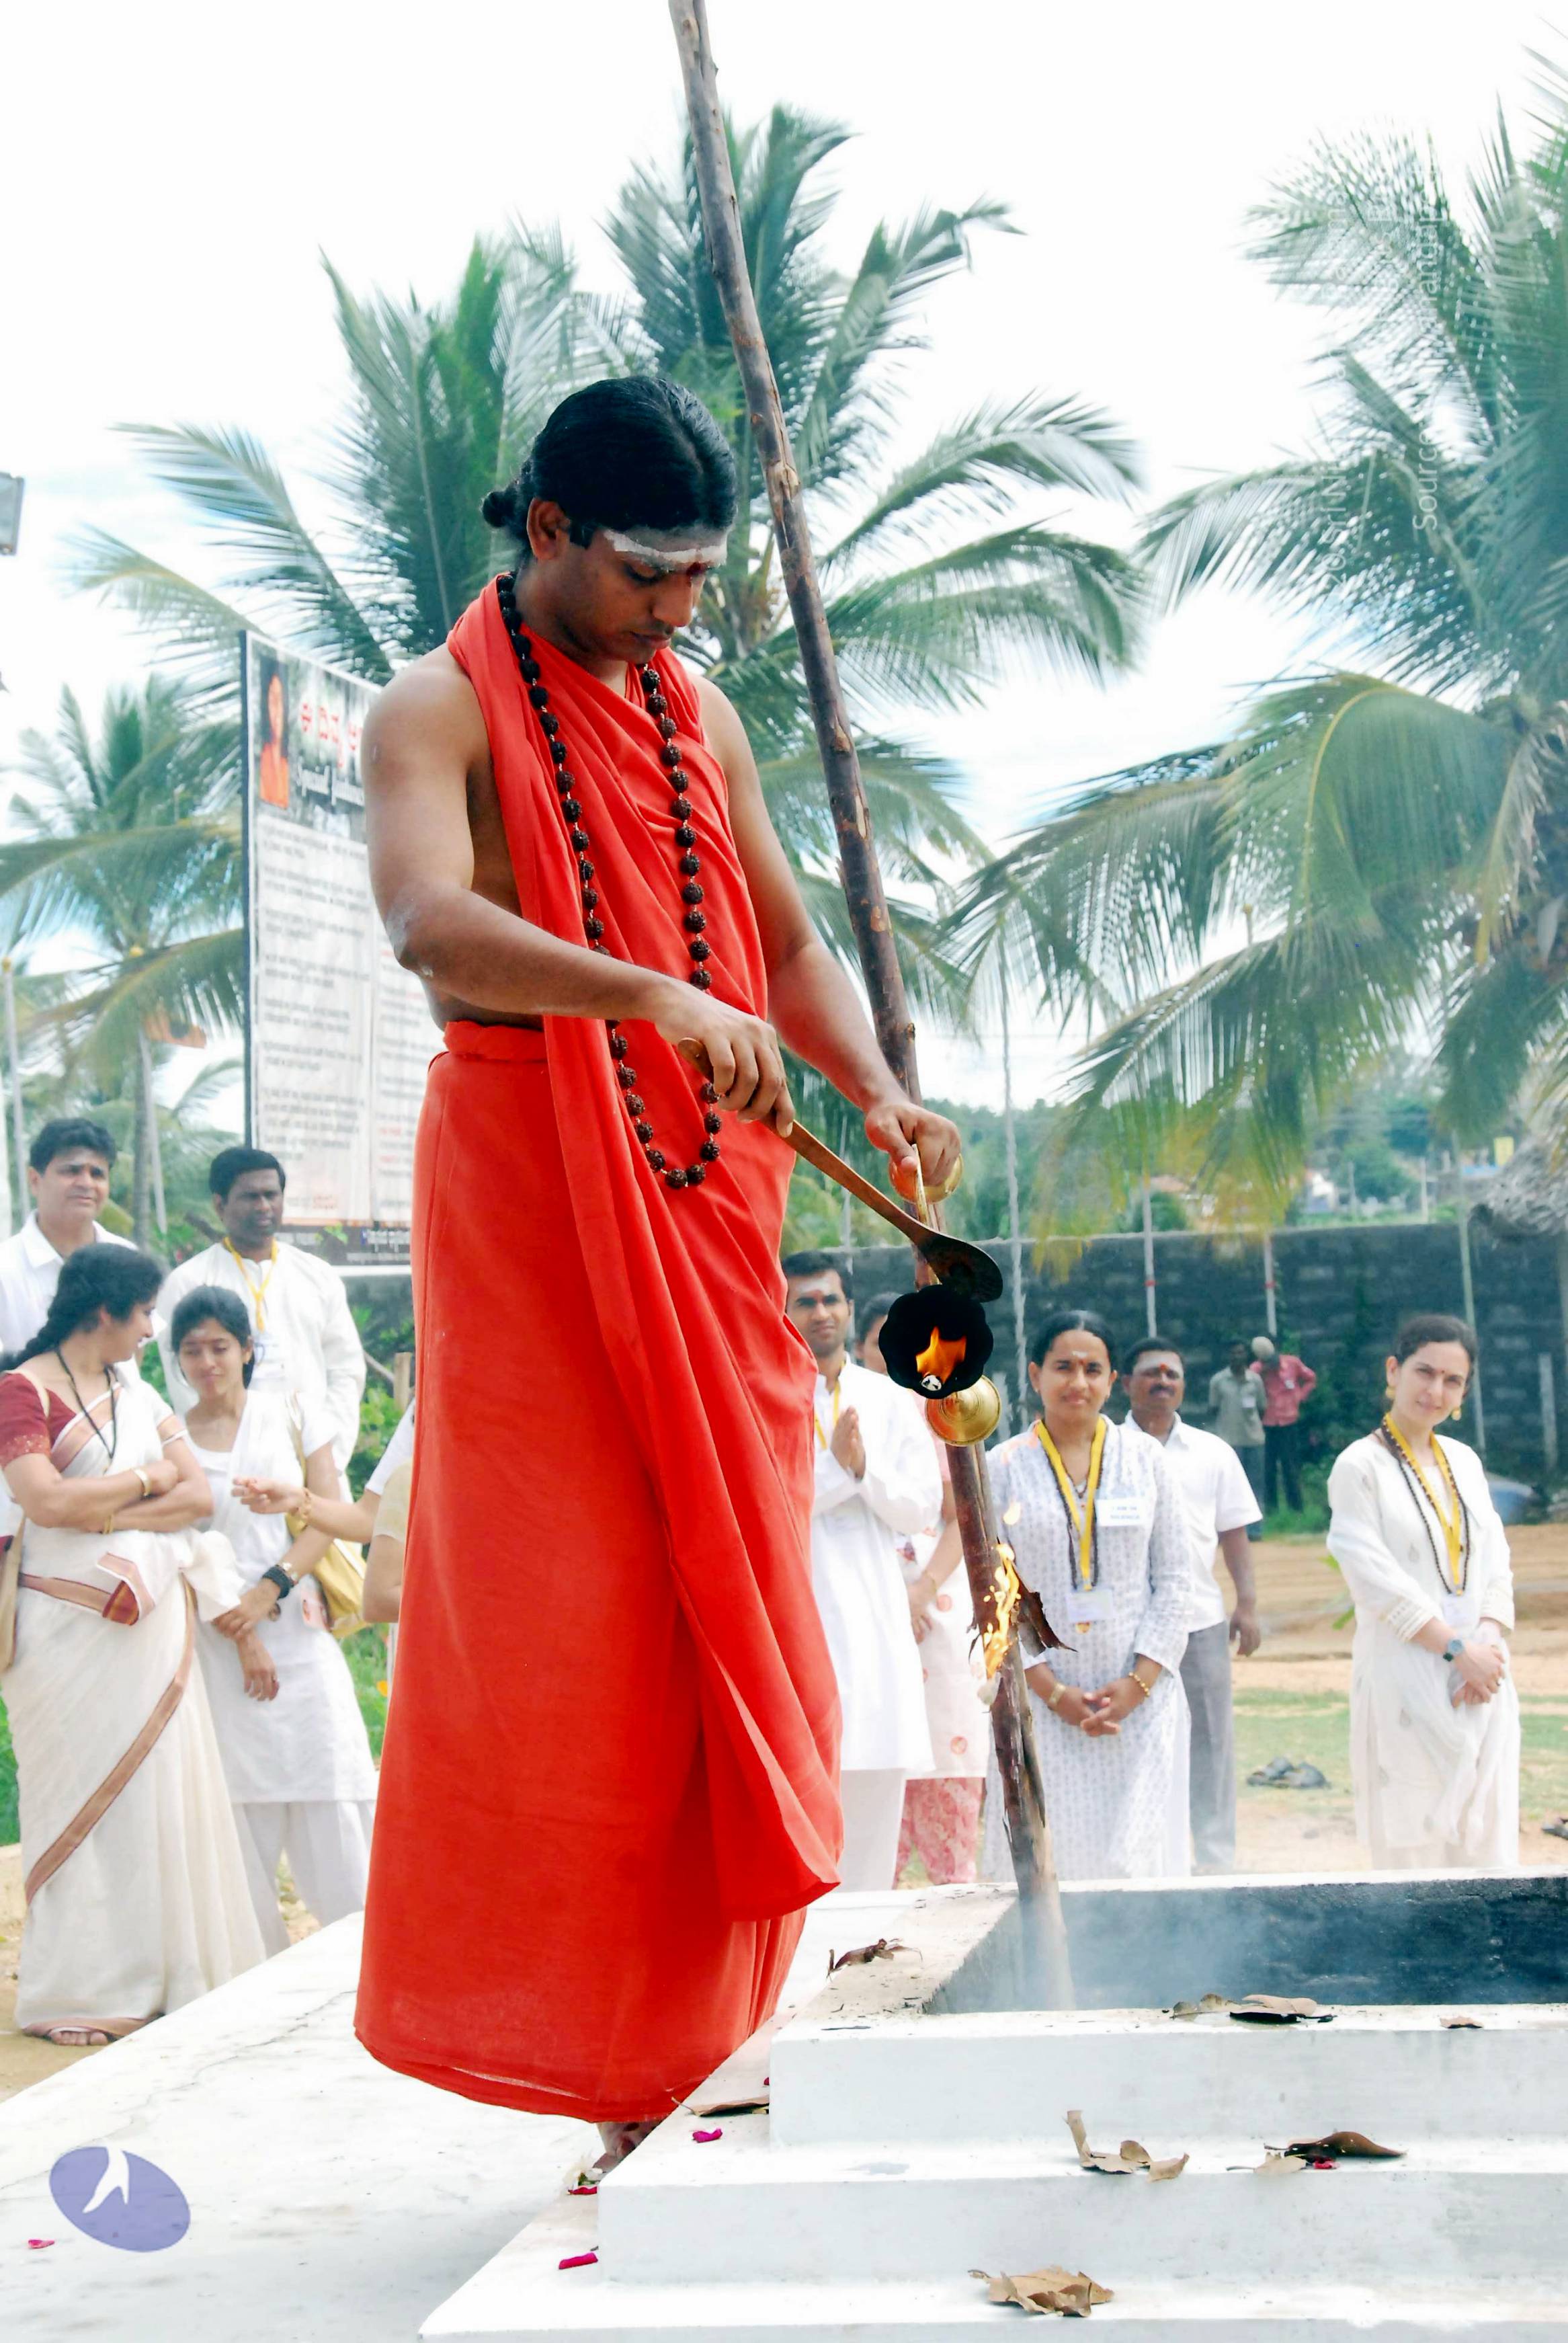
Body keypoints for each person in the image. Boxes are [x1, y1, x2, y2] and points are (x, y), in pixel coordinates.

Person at [354, 374, 960, 2152]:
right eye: (646, 570)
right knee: (577, 1627)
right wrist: (644, 992)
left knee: (729, 1603)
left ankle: (713, 2034)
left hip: (701, 1199)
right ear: (546, 528)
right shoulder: (433, 707)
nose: (679, 608)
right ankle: (598, 2060)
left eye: (701, 573)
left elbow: (781, 941)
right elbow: (424, 921)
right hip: (527, 1188)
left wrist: (876, 1086)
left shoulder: (697, 710)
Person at [0, 1247, 264, 2043]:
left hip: (146, 1619)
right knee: (70, 1801)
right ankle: (79, 1986)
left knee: (153, 1797)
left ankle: (160, 1971)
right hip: (58, 1628)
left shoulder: (137, 1391)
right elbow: (44, 1501)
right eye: (145, 1312)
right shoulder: (22, 1390)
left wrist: (108, 1509)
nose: (153, 1329)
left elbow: (197, 1493)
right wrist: (146, 1481)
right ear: (104, 1310)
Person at [173, 1287, 378, 1953]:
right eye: (192, 1350)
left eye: (219, 1346)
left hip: (298, 1623)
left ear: (246, 1349)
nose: (208, 1362)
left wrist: (270, 1589)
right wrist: (242, 1627)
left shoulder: (292, 1410)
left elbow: (329, 1514)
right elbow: (183, 1546)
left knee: (332, 1780)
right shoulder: (172, 1436)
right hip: (217, 1637)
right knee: (238, 1806)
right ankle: (252, 1964)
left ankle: (361, 1954)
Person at [983, 1309, 1191, 1881]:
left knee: (1138, 1867)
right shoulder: (1002, 1467)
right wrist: (1052, 1692)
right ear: (1034, 1375)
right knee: (1054, 1865)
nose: (1078, 1382)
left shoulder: (1146, 1461)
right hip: (1041, 1705)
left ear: (1112, 1380)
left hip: (1140, 1703)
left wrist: (1137, 1684)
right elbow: (997, 1595)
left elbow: (1177, 1579)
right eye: (1063, 1367)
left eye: (1092, 1369)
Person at [1326, 1314, 1518, 1869]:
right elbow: (1375, 1581)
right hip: (1405, 1675)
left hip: (1481, 1678)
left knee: (1485, 1853)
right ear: (1393, 1371)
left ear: (1463, 1392)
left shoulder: (1465, 1462)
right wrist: (1456, 1650)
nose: (1435, 1390)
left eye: (1452, 1380)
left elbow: (1496, 1562)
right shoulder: (1358, 1466)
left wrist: (1485, 1645)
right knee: (1414, 1856)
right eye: (1424, 1372)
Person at [785, 1258, 937, 1889]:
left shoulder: (889, 1398)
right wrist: (837, 1471)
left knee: (876, 1781)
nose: (820, 1312)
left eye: (831, 1300)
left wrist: (863, 1471)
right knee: (805, 1789)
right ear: (782, 1312)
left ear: (849, 1308)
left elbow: (921, 1506)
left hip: (875, 1615)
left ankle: (867, 1927)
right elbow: (765, 1501)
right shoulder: (765, 1391)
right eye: (805, 1302)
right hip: (803, 1606)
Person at [858, 1302, 988, 1887]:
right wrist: (889, 1601)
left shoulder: (941, 1413)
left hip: (935, 1613)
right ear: (861, 1351)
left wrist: (919, 1592)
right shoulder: (838, 1416)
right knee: (866, 1799)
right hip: (864, 1613)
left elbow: (962, 1517)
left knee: (948, 1782)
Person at [1124, 1335, 1262, 1874]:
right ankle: (1140, 1862)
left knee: (1209, 1745)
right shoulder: (1105, 1448)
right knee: (1129, 1741)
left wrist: (1246, 1603)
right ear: (1125, 1383)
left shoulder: (1212, 1452)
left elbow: (1234, 1533)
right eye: (1150, 1372)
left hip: (1198, 1622)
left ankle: (1215, 1861)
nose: (1162, 1382)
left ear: (1184, 1386)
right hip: (1125, 1627)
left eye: (1171, 1374)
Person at [159, 1149, 366, 1476]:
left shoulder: (317, 1276)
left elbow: (346, 1371)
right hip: (230, 1473)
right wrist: (221, 1460)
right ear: (220, 1205)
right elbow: (182, 1379)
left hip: (317, 1464)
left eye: (271, 1195)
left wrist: (326, 1458)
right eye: (250, 1197)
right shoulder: (188, 1282)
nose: (264, 1206)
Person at [0, 1118, 135, 1360]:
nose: (86, 1183)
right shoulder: (5, 1267)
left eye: (97, 1174)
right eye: (72, 1171)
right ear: (35, 1181)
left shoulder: (128, 1259)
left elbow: (136, 1352)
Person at [1206, 1341, 1267, 1538]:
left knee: (1254, 1485)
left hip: (1253, 1440)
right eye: (1233, 1353)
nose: (1237, 1357)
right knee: (1228, 1488)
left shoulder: (1255, 1380)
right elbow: (1213, 1409)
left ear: (1246, 1355)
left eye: (1240, 1353)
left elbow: (1262, 1408)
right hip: (1228, 1441)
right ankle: (1229, 1530)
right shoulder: (1218, 1381)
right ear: (1228, 1356)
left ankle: (1255, 1530)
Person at [1252, 1335, 1317, 1515]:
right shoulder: (1256, 1370)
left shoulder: (1292, 1364)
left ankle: (1296, 1507)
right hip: (1267, 1423)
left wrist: (1300, 1396)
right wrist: (1262, 1372)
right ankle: (1271, 1508)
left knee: (1290, 1465)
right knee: (1269, 1467)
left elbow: (1311, 1378)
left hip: (1289, 1422)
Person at [257, 656, 290, 809]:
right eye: (273, 701)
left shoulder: (287, 765)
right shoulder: (262, 759)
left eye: (280, 702)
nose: (276, 713)